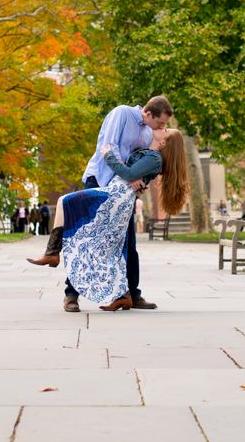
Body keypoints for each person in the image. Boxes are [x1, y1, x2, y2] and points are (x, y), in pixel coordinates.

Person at [27, 96, 174, 312]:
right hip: (99, 179)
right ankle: (71, 295)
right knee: (85, 238)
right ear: (149, 113)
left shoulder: (146, 132)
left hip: (121, 191)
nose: (162, 127)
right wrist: (130, 177)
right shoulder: (122, 113)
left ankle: (132, 294)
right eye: (161, 122)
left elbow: (138, 163)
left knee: (128, 241)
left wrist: (139, 184)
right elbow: (108, 147)